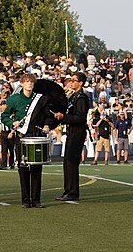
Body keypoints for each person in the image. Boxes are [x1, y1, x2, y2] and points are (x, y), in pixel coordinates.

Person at [1, 73, 52, 208]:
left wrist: (47, 125)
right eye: (27, 82)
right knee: (23, 168)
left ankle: (36, 199)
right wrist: (13, 123)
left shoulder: (40, 99)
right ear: (22, 84)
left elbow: (48, 116)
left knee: (36, 167)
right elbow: (4, 116)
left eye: (31, 82)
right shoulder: (14, 99)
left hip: (36, 135)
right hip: (21, 137)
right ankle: (25, 200)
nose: (29, 84)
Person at [53, 72, 91, 202]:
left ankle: (73, 192)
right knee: (67, 161)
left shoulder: (81, 97)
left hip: (77, 131)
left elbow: (80, 117)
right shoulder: (73, 96)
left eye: (74, 80)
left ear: (80, 83)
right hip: (71, 130)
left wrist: (64, 118)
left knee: (72, 162)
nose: (71, 83)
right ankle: (68, 190)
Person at [0, 99, 15, 170]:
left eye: (2, 105)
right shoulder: (1, 114)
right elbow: (1, 124)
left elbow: (14, 124)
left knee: (11, 149)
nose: (1, 107)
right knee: (4, 149)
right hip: (3, 133)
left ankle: (11, 163)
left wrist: (11, 133)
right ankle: (3, 164)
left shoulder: (11, 114)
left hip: (9, 132)